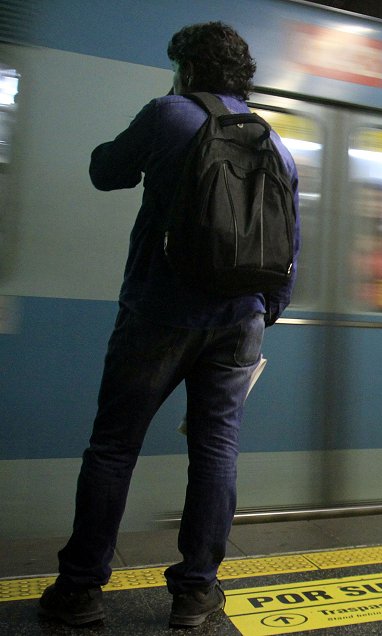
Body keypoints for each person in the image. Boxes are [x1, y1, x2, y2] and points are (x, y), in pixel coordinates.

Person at [37, 22, 299, 628]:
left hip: (159, 314)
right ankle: (195, 592)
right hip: (241, 321)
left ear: (185, 67)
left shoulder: (169, 113)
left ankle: (79, 588)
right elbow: (290, 246)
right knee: (215, 451)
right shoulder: (276, 142)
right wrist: (262, 314)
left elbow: (107, 171)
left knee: (113, 448)